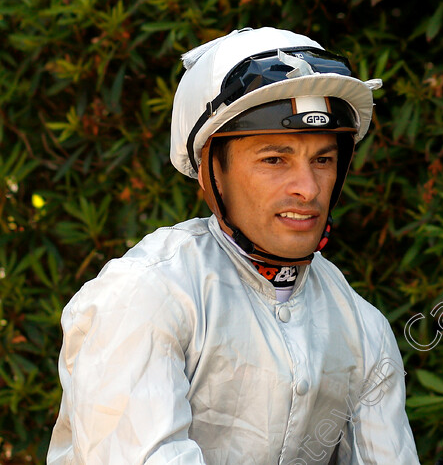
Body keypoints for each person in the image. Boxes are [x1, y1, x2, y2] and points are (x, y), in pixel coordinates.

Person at [47, 27, 420, 465]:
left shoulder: (365, 328)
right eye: (274, 159)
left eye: (323, 159)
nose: (308, 188)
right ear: (210, 172)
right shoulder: (145, 295)